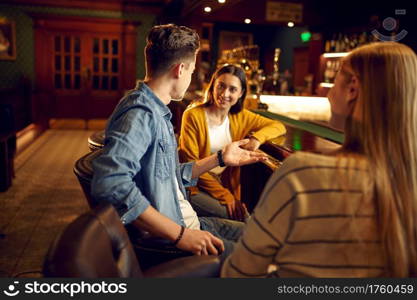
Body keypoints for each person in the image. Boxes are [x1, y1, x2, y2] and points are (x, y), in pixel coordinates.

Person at [222, 42, 417, 277]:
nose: (328, 91)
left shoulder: (302, 172)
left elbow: (239, 273)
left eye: (335, 79)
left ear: (352, 89)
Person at [91, 24, 267, 260]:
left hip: (191, 223)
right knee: (264, 261)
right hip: (174, 241)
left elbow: (169, 175)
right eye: (192, 71)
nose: (191, 76)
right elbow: (110, 183)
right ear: (180, 69)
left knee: (267, 241)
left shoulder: (157, 110)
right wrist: (180, 235)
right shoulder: (141, 113)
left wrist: (221, 158)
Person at [179, 64, 286, 221]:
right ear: (213, 85)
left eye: (232, 89)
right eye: (220, 86)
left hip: (220, 187)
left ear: (241, 93)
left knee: (244, 219)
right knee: (240, 220)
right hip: (193, 186)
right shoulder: (193, 116)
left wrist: (256, 139)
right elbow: (191, 165)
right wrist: (225, 196)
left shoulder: (241, 116)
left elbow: (278, 126)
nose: (224, 94)